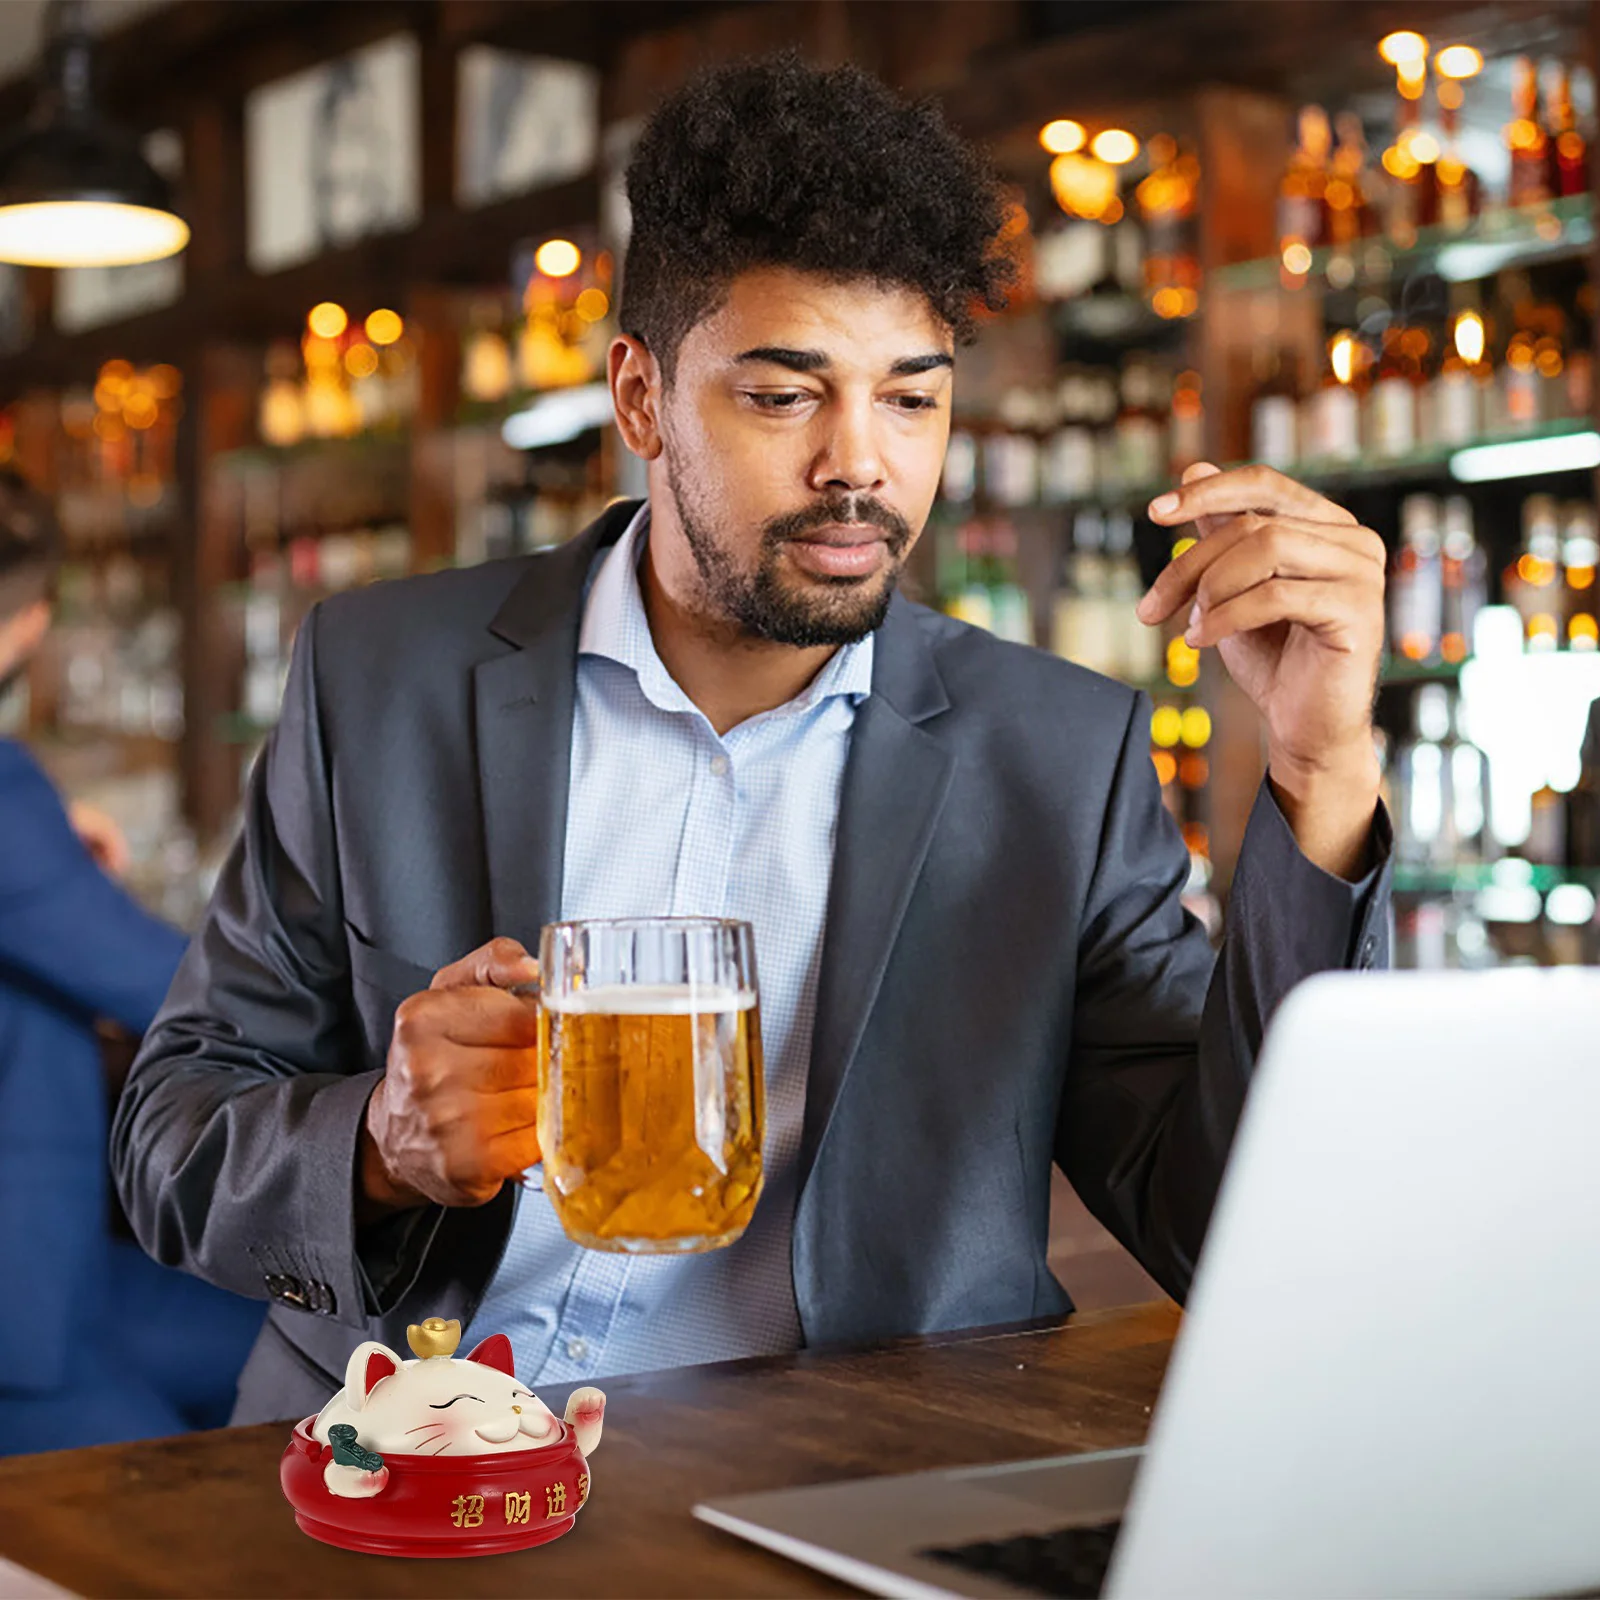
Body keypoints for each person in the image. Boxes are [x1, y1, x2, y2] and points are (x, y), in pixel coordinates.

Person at [114, 55, 1392, 1426]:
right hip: (404, 1453)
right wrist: (378, 1143)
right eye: (785, 396)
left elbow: (1234, 1226)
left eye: (912, 397)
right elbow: (169, 1136)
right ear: (643, 398)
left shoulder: (1053, 753)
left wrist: (1321, 775)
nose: (862, 462)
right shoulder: (381, 680)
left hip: (837, 1477)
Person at [0, 468, 263, 1454]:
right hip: (23, 1324)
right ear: (31, 623)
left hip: (66, 1271)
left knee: (323, 1346)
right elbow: (185, 993)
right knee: (208, 1515)